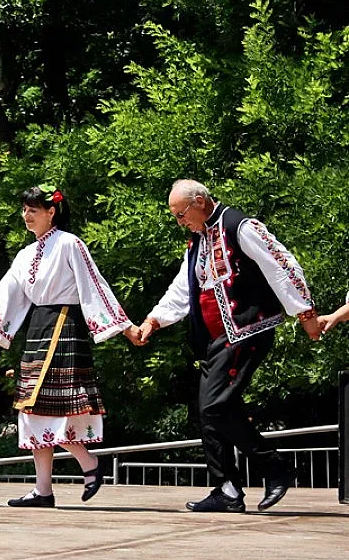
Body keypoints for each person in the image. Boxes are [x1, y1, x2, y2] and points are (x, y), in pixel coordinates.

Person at [135, 179, 319, 513]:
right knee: (207, 412)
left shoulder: (240, 226)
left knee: (216, 407)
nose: (180, 222)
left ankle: (275, 467)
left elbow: (281, 264)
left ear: (201, 201)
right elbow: (183, 287)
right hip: (215, 339)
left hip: (247, 328)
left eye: (181, 214)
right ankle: (227, 489)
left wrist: (304, 311)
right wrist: (154, 320)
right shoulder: (197, 242)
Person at [0, 185, 140, 508]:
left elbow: (94, 285)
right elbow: (5, 296)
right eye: (24, 210)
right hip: (38, 329)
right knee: (32, 408)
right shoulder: (24, 256)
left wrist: (125, 327)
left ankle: (88, 465)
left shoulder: (70, 244)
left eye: (34, 210)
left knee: (53, 406)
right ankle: (45, 489)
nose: (27, 215)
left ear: (51, 212)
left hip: (64, 325)